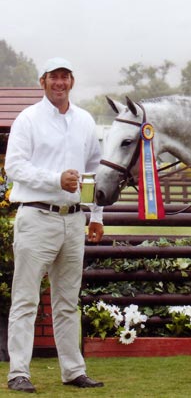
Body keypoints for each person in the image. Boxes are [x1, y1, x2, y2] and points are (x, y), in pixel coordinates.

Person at [5, 57, 105, 393]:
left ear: (71, 82)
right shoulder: (28, 119)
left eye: (65, 77)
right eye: (53, 77)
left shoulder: (86, 121)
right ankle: (19, 371)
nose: (59, 83)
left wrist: (97, 215)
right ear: (42, 82)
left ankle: (73, 371)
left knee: (68, 301)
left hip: (74, 220)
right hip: (36, 217)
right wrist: (54, 180)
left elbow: (94, 171)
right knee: (26, 298)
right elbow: (14, 167)